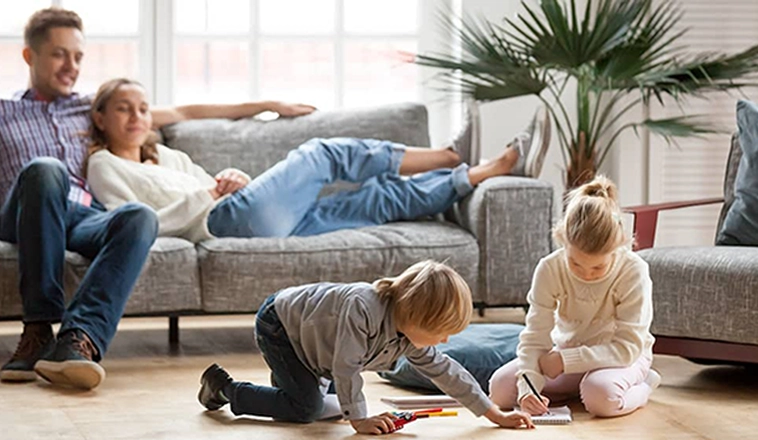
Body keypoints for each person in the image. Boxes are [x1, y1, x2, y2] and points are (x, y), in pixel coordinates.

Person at [0, 7, 314, 390]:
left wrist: (267, 105)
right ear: (30, 56)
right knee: (46, 170)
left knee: (138, 216)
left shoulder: (88, 108)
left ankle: (77, 342)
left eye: (78, 56)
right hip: (25, 215)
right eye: (59, 54)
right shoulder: (5, 112)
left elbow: (185, 111)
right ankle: (37, 330)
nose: (71, 66)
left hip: (82, 216)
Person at [85, 78, 550, 242]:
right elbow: (131, 222)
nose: (136, 116)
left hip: (247, 212)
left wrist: (231, 177)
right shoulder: (104, 165)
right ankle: (449, 154)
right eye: (123, 108)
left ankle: (477, 172)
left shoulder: (166, 155)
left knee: (376, 201)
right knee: (323, 153)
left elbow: (214, 182)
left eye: (142, 108)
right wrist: (211, 193)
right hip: (223, 221)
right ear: (101, 117)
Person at [196, 260, 535, 434]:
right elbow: (346, 367)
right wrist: (359, 420)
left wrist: (495, 414)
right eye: (440, 332)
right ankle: (225, 389)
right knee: (307, 410)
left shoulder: (409, 335)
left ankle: (289, 387)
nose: (444, 341)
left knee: (321, 404)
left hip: (317, 345)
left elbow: (448, 372)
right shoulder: (363, 307)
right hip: (281, 326)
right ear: (415, 316)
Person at [488, 176, 660, 418]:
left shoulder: (634, 271)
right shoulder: (549, 268)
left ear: (618, 246)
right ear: (562, 240)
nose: (586, 275)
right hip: (566, 354)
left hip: (622, 358)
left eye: (598, 268)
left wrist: (565, 360)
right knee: (500, 390)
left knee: (601, 397)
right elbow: (535, 338)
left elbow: (627, 348)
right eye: (576, 264)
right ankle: (576, 389)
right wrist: (528, 390)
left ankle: (642, 387)